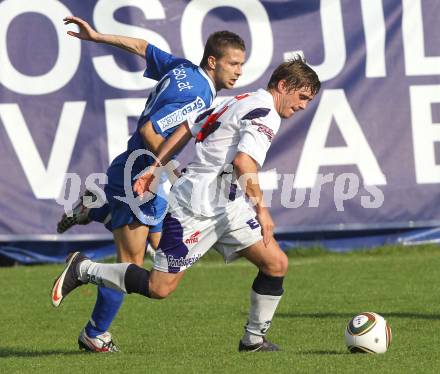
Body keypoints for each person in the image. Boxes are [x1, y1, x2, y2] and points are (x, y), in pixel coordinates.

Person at [51, 57, 320, 352]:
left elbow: (187, 127)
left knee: (275, 263)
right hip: (196, 208)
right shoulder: (266, 112)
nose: (303, 106)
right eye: (302, 97)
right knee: (159, 287)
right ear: (283, 85)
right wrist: (263, 210)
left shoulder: (238, 100)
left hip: (227, 207)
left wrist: (156, 166)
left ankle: (253, 339)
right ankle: (83, 269)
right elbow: (244, 163)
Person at [56, 15, 246, 352]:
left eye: (242, 64)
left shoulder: (182, 68)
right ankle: (94, 332)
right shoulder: (199, 96)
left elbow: (143, 47)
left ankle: (96, 208)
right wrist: (172, 172)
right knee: (129, 264)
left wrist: (98, 37)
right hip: (142, 179)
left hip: (133, 170)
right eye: (233, 63)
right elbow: (150, 131)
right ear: (213, 61)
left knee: (161, 249)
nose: (239, 71)